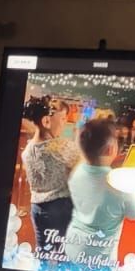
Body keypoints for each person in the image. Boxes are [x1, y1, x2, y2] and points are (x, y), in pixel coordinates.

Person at [64, 115, 135, 271]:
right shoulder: (121, 184)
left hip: (72, 245)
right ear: (111, 149)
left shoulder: (77, 172)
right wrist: (132, 182)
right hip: (99, 257)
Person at [20, 96, 77, 261]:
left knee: (43, 253)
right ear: (46, 121)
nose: (65, 123)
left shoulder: (28, 150)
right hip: (61, 208)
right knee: (64, 255)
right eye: (63, 118)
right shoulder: (63, 148)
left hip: (37, 208)